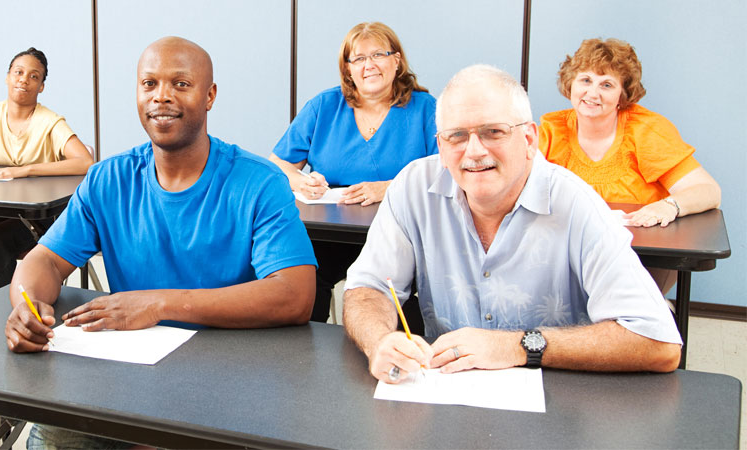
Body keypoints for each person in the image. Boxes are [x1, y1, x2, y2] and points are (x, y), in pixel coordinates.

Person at [5, 37, 317, 448]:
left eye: (180, 84)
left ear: (210, 96)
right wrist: (28, 308)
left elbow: (295, 295)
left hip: (233, 382)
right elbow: (43, 261)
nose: (162, 96)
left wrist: (158, 303)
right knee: (51, 440)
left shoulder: (260, 183)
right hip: (128, 378)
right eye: (149, 84)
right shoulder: (108, 180)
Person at [343, 64, 682, 384]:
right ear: (441, 146)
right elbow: (368, 288)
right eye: (457, 136)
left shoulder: (576, 203)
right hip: (446, 395)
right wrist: (379, 342)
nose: (474, 151)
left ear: (530, 140)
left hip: (560, 404)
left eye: (494, 132)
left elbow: (659, 342)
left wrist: (518, 346)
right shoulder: (413, 188)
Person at [269, 22, 437, 322]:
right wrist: (303, 181)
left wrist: (389, 187)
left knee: (398, 298)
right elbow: (277, 164)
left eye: (378, 55)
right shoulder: (325, 105)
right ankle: (304, 357)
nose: (368, 65)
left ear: (396, 61)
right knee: (304, 278)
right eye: (358, 58)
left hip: (400, 233)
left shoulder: (425, 108)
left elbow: (445, 171)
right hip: (331, 233)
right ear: (347, 69)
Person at [538, 38, 721, 294]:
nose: (593, 93)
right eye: (586, 80)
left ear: (623, 95)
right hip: (573, 253)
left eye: (607, 84)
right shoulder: (551, 130)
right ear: (571, 83)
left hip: (641, 261)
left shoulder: (645, 130)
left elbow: (708, 190)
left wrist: (669, 205)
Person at [0, 47, 93, 300]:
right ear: (7, 77)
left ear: (42, 87)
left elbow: (86, 162)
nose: (24, 79)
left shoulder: (50, 122)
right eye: (19, 72)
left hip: (42, 218)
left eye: (34, 76)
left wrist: (24, 171)